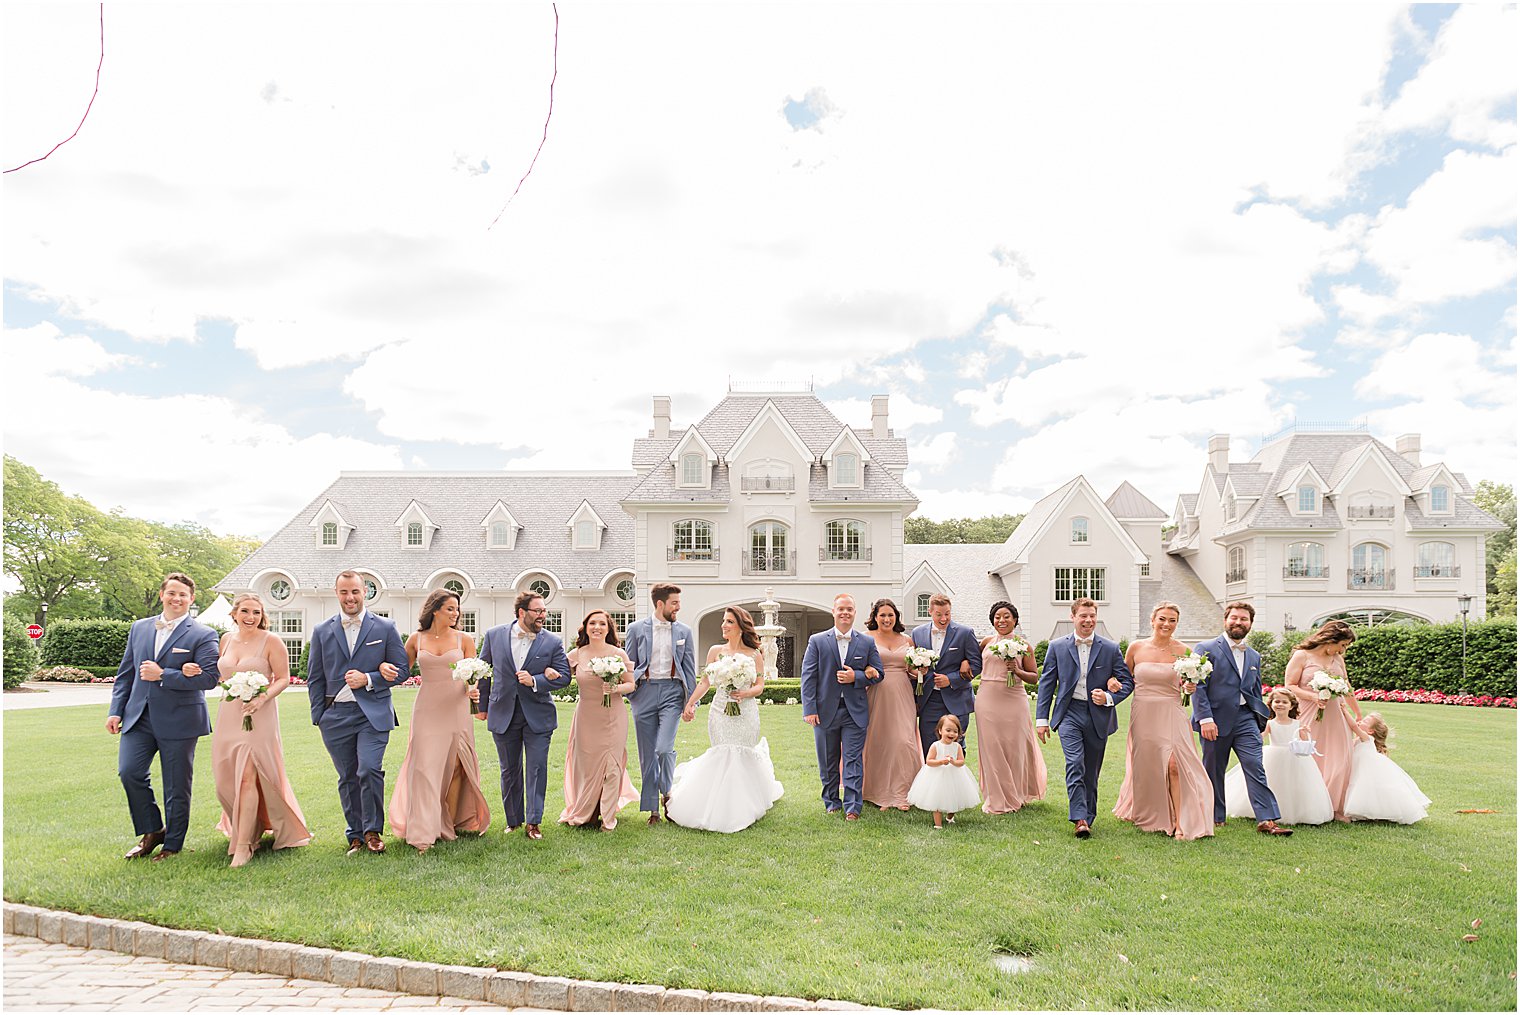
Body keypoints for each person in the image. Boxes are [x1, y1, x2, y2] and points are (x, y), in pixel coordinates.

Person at [107, 572, 222, 861]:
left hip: (180, 719)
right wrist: (115, 711)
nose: (177, 598)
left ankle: (172, 844)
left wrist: (164, 676)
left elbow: (210, 678)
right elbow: (126, 674)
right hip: (138, 717)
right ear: (162, 595)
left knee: (176, 785)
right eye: (172, 593)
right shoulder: (140, 628)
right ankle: (152, 830)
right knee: (129, 772)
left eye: (183, 594)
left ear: (191, 599)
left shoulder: (203, 634)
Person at [203, 593, 311, 867]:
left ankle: (243, 845)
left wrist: (262, 697)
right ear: (235, 614)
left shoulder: (271, 641)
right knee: (224, 782)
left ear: (263, 616)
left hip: (260, 716)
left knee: (248, 777)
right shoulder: (226, 640)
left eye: (257, 612)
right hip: (229, 714)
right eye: (246, 612)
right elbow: (221, 675)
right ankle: (247, 828)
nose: (251, 617)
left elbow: (284, 678)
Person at [306, 570, 410, 855]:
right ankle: (354, 834)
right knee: (348, 776)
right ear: (336, 593)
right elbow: (314, 677)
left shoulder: (385, 628)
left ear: (365, 592)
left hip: (372, 714)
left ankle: (373, 830)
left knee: (369, 769)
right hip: (335, 716)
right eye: (344, 592)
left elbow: (402, 671)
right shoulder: (322, 630)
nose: (350, 597)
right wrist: (320, 715)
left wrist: (371, 678)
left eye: (355, 591)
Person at [388, 589, 491, 852]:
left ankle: (448, 824)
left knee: (456, 766)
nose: (455, 613)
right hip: (427, 708)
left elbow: (474, 672)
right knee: (424, 768)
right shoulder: (416, 640)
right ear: (435, 609)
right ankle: (423, 829)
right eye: (450, 608)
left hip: (456, 707)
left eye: (457, 609)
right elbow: (401, 671)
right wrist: (382, 669)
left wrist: (474, 688)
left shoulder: (464, 639)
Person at [666, 606, 783, 832]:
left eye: (729, 621)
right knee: (722, 752)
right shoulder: (715, 651)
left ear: (740, 626)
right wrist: (690, 704)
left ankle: (744, 802)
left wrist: (746, 693)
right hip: (720, 710)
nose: (724, 625)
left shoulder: (754, 654)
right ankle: (717, 802)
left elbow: (759, 686)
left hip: (746, 711)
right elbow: (705, 682)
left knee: (741, 752)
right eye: (724, 621)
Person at [1111, 602, 1215, 840]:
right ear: (1152, 620)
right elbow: (1125, 680)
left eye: (1172, 620)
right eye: (1162, 619)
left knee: (1174, 765)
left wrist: (1190, 687)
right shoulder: (1136, 648)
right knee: (1147, 766)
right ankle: (1151, 812)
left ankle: (1180, 821)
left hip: (1172, 710)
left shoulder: (1185, 651)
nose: (1166, 624)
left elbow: (1191, 686)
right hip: (1143, 712)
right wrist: (1112, 684)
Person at [1035, 598, 1133, 839]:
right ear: (1073, 617)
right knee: (1075, 762)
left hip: (1098, 716)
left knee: (1091, 770)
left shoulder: (1110, 648)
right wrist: (1041, 719)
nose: (1088, 620)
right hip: (1069, 713)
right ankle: (1079, 818)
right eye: (1083, 616)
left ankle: (1088, 816)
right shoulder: (1057, 646)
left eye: (1092, 616)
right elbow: (1047, 683)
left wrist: (1109, 696)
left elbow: (1127, 682)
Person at [477, 592, 571, 841]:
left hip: (537, 714)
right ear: (522, 612)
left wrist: (537, 681)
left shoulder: (552, 642)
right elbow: (484, 672)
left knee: (537, 768)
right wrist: (482, 707)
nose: (543, 615)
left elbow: (564, 676)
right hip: (503, 712)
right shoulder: (494, 635)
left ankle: (533, 822)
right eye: (538, 611)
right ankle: (513, 820)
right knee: (509, 770)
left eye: (544, 611)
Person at [1192, 600, 1290, 835]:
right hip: (1214, 719)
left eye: (1243, 619)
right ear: (1225, 620)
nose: (1238, 622)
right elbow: (1198, 686)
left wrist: (1259, 721)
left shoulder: (1254, 656)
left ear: (1250, 624)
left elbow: (1254, 691)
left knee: (1255, 766)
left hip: (1245, 719)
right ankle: (1215, 815)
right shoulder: (1205, 648)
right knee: (1214, 768)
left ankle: (1267, 819)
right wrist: (1205, 719)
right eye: (1234, 618)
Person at [801, 594, 884, 821]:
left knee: (853, 760)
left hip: (854, 712)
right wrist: (809, 709)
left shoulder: (866, 642)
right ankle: (831, 802)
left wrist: (855, 677)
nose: (845, 613)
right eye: (841, 609)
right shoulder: (817, 641)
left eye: (849, 609)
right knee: (827, 760)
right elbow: (808, 676)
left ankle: (853, 807)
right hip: (824, 711)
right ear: (833, 612)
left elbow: (879, 673)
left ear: (855, 613)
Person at [624, 583, 698, 825]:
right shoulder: (636, 629)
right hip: (644, 691)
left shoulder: (684, 631)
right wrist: (631, 690)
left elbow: (689, 668)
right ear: (660, 604)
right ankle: (653, 810)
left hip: (671, 693)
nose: (678, 607)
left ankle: (667, 794)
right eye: (674, 603)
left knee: (664, 749)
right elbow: (629, 664)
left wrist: (690, 703)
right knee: (647, 754)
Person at [559, 610, 639, 832]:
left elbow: (631, 684)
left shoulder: (618, 654)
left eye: (602, 623)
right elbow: (561, 675)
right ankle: (588, 810)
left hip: (613, 715)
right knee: (587, 766)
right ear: (585, 627)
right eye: (592, 623)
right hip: (586, 716)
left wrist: (615, 687)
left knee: (612, 766)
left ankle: (608, 818)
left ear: (608, 628)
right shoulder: (576, 654)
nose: (597, 627)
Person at [1283, 620, 1361, 822]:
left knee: (1340, 758)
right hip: (1308, 713)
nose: (1343, 650)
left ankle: (1334, 807)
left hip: (1336, 715)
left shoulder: (1338, 659)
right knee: (1308, 758)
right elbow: (1289, 685)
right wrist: (1313, 697)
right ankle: (1305, 804)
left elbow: (1347, 686)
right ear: (1330, 640)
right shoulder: (1302, 655)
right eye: (1342, 645)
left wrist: (1358, 713)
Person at [974, 601, 1046, 814]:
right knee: (991, 747)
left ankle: (1016, 794)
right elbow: (975, 665)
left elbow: (1034, 678)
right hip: (987, 698)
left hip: (1014, 699)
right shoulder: (986, 642)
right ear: (992, 620)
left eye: (1006, 616)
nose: (1001, 620)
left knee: (1015, 748)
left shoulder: (1024, 646)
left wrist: (1017, 670)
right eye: (997, 617)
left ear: (1015, 620)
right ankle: (995, 796)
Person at [1224, 688, 1333, 826]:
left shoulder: (1297, 724)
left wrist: (1305, 732)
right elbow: (1260, 737)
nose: (1280, 704)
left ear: (1291, 705)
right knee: (1272, 782)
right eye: (1277, 701)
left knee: (1293, 784)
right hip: (1274, 756)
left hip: (1294, 758)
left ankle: (1295, 811)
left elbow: (1304, 743)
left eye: (1284, 702)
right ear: (1271, 704)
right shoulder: (1270, 723)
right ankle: (1267, 809)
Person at [861, 599, 920, 812]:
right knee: (879, 741)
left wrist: (920, 672)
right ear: (875, 617)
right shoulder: (866, 638)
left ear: (896, 617)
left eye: (890, 615)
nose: (887, 619)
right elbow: (859, 662)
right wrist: (867, 669)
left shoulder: (907, 640)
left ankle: (903, 792)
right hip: (877, 692)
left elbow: (912, 670)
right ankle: (880, 794)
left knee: (904, 741)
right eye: (882, 615)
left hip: (902, 692)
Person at [909, 594, 981, 756]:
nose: (944, 618)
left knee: (955, 750)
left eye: (947, 613)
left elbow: (976, 665)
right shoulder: (917, 633)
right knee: (930, 750)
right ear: (930, 612)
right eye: (939, 614)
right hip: (929, 701)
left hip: (957, 700)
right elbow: (912, 666)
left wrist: (951, 679)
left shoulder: (965, 633)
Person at [1344, 713, 1430, 824]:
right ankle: (1367, 811)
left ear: (1371, 731)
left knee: (1370, 790)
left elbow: (1354, 727)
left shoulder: (1367, 738)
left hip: (1368, 770)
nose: (1360, 722)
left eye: (1365, 722)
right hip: (1361, 770)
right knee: (1365, 790)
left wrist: (1344, 710)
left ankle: (1380, 812)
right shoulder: (1358, 739)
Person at [906, 715, 981, 829]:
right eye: (948, 730)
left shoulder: (957, 747)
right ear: (940, 731)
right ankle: (938, 824)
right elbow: (929, 761)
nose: (951, 734)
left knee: (954, 798)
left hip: (954, 775)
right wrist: (941, 761)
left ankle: (950, 817)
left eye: (955, 731)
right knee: (937, 799)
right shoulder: (936, 746)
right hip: (937, 776)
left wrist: (954, 762)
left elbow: (961, 762)